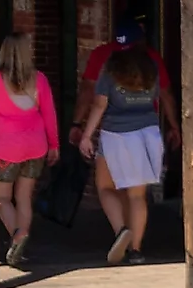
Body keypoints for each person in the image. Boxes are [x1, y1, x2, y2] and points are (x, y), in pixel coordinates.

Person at [75, 44, 175, 264]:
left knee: (105, 187)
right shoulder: (151, 71)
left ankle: (121, 230)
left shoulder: (110, 72)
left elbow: (100, 105)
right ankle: (136, 250)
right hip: (148, 134)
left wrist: (86, 135)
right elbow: (162, 96)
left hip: (116, 135)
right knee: (137, 196)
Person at [0, 34, 58, 269]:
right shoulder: (39, 79)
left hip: (5, 148)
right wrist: (54, 144)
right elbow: (49, 114)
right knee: (24, 197)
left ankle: (17, 235)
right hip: (36, 145)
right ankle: (23, 238)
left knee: (0, 198)